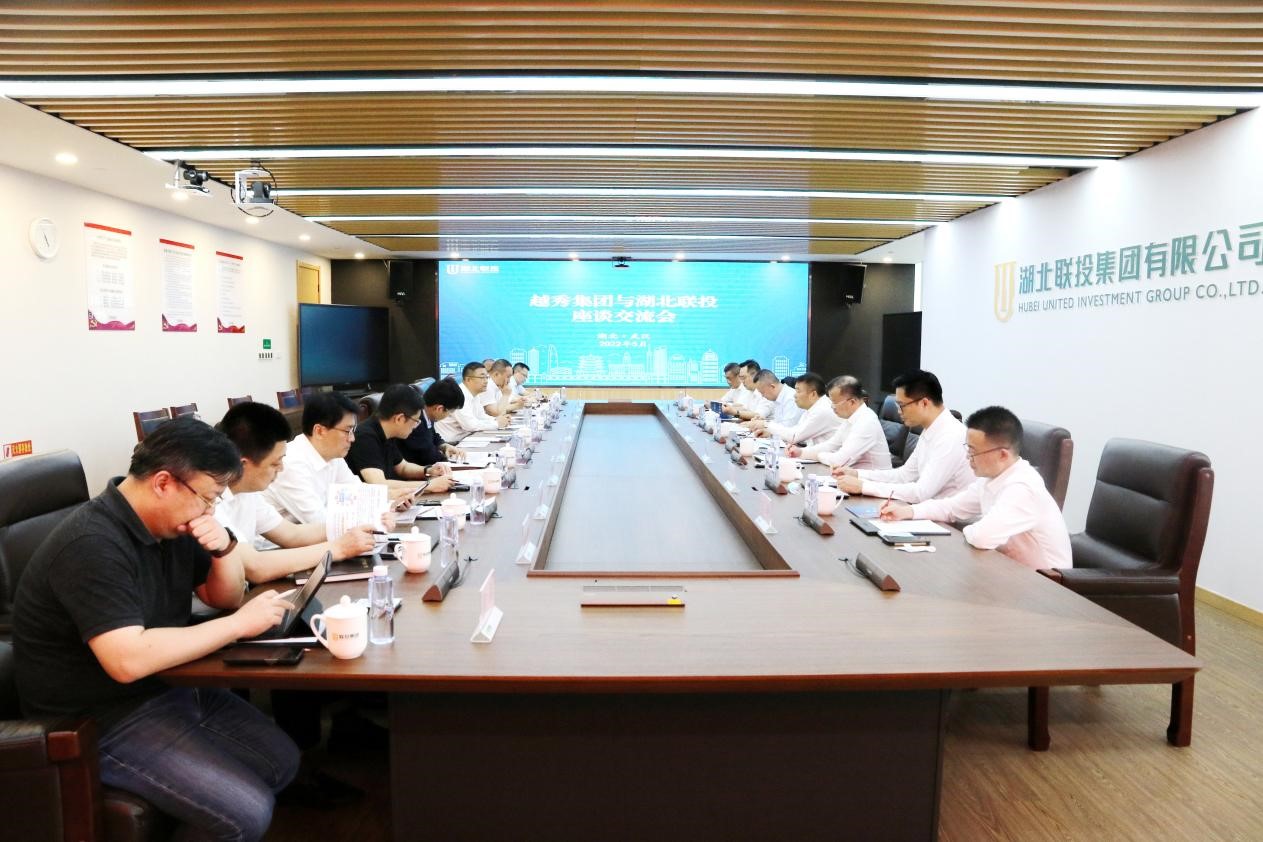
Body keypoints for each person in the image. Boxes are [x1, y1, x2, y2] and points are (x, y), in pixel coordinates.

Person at [13, 417, 300, 842]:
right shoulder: (90, 544)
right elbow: (127, 660)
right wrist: (238, 626)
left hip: (166, 686)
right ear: (164, 482)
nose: (210, 510)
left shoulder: (172, 523)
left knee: (282, 763)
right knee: (246, 814)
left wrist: (224, 547)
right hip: (102, 714)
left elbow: (223, 596)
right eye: (208, 498)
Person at [880, 406, 1071, 569]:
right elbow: (951, 507)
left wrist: (969, 529)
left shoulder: (1022, 487)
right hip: (1006, 570)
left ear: (1003, 455)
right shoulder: (991, 478)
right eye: (968, 448)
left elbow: (982, 537)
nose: (967, 458)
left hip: (1046, 585)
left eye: (973, 452)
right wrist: (908, 511)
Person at [215, 401, 377, 583]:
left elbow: (292, 534)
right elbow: (255, 567)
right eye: (275, 463)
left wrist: (358, 523)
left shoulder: (248, 492)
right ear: (243, 465)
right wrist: (339, 548)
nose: (281, 468)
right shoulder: (210, 501)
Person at [263, 392, 405, 525]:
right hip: (281, 542)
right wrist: (374, 517)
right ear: (319, 431)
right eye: (347, 431)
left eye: (353, 430)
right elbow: (318, 521)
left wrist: (392, 497)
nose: (352, 438)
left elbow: (357, 490)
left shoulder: (332, 454)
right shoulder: (291, 464)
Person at [833, 369, 975, 502]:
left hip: (949, 518)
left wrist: (863, 486)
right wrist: (857, 474)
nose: (899, 411)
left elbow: (921, 492)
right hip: (929, 510)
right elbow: (904, 475)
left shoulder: (951, 436)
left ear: (924, 403)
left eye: (901, 405)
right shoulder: (931, 429)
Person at [345, 384, 453, 493]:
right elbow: (379, 484)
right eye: (416, 421)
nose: (416, 426)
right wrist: (428, 485)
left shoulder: (388, 431)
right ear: (399, 419)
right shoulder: (365, 437)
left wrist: (429, 470)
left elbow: (403, 468)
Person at [793, 376, 891, 470]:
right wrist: (800, 452)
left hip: (870, 479)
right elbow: (830, 445)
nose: (832, 406)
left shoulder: (867, 422)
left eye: (834, 402)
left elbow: (839, 461)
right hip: (852, 476)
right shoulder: (851, 418)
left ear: (852, 402)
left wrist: (817, 456)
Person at [744, 371, 840, 446]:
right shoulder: (812, 408)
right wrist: (771, 433)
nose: (794, 395)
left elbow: (794, 436)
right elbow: (796, 430)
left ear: (813, 394)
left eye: (798, 391)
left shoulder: (822, 409)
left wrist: (765, 424)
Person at [398, 377, 468, 467]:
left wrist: (444, 446)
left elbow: (433, 435)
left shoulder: (427, 413)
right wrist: (451, 461)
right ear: (439, 409)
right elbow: (428, 455)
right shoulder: (415, 420)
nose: (449, 415)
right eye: (450, 412)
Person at [435, 361, 511, 442]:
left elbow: (481, 416)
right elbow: (470, 425)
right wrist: (497, 424)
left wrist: (496, 419)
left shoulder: (475, 394)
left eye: (487, 377)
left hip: (466, 437)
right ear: (468, 379)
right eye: (482, 377)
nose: (486, 381)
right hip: (452, 443)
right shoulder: (459, 395)